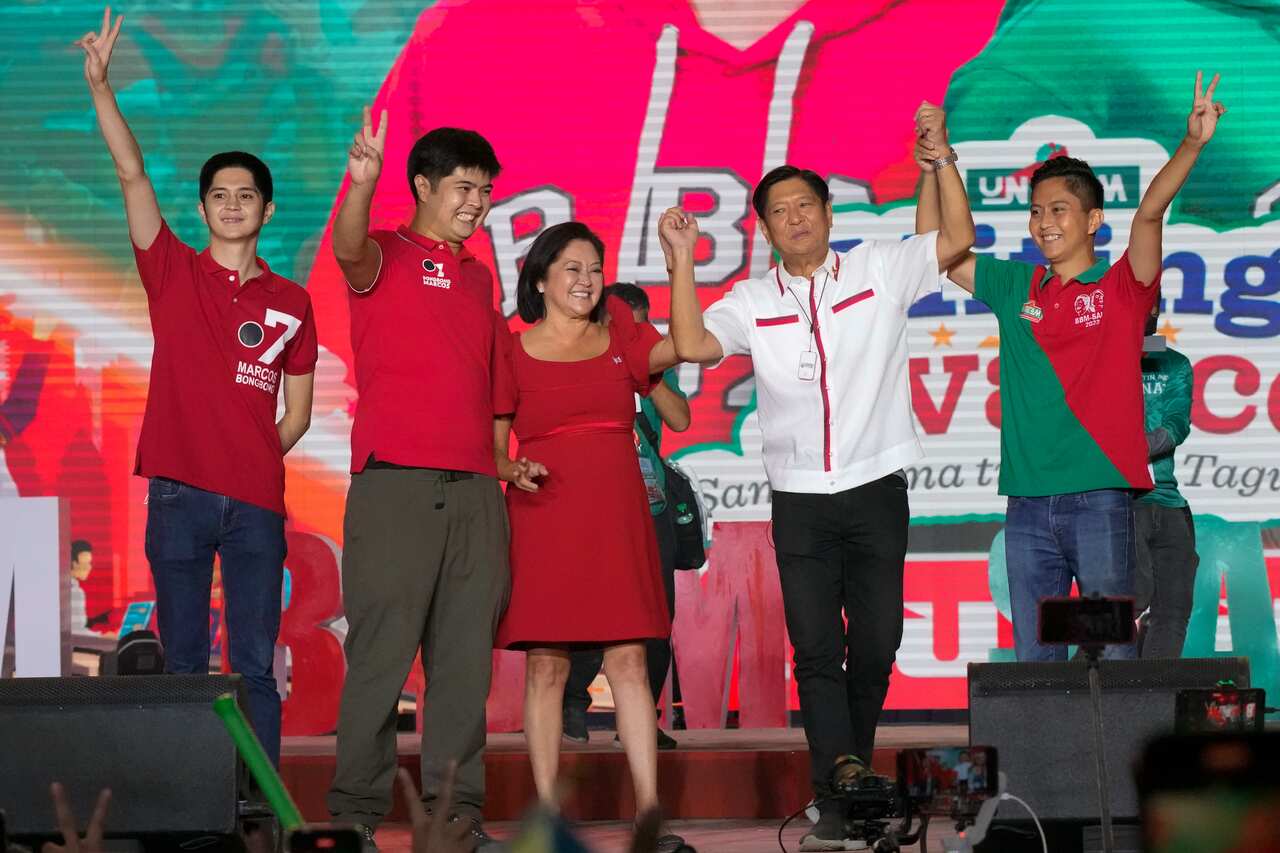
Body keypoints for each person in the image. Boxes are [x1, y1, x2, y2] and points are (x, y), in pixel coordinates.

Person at [662, 101, 976, 850]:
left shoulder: (878, 268)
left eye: (806, 204)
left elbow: (957, 239)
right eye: (780, 211)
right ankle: (840, 793)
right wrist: (681, 259)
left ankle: (844, 780)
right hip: (800, 500)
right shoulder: (752, 300)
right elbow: (693, 345)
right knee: (814, 650)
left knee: (877, 642)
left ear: (829, 213)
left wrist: (941, 160)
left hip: (876, 487)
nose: (795, 218)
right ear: (765, 230)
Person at [915, 72, 1226, 663]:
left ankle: (1116, 729)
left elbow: (1150, 216)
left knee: (1109, 655)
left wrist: (1191, 144)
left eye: (1059, 209)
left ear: (1093, 220)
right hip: (1028, 506)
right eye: (1036, 211)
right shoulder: (1017, 285)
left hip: (1099, 504)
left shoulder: (1120, 289)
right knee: (1037, 665)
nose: (1044, 222)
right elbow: (933, 249)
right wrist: (937, 166)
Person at [77, 8, 317, 767]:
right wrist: (101, 87)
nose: (232, 203)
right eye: (219, 194)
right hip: (178, 495)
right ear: (203, 206)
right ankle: (186, 804)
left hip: (256, 505)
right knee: (183, 664)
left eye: (246, 194)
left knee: (254, 667)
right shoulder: (172, 271)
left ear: (267, 209)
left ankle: (260, 808)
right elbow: (132, 173)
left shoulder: (293, 301)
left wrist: (250, 453)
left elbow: (299, 412)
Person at [324, 108, 512, 851]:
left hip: (475, 492)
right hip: (394, 487)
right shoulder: (384, 253)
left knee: (463, 669)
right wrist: (360, 185)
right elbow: (346, 247)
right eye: (463, 187)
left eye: (486, 190)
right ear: (424, 186)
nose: (476, 202)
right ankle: (354, 818)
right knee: (379, 660)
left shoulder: (479, 276)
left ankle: (456, 819)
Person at [493, 222, 684, 850]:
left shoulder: (621, 334)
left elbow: (687, 346)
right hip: (544, 513)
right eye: (572, 268)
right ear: (539, 281)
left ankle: (649, 815)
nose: (586, 280)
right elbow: (493, 448)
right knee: (546, 665)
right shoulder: (510, 350)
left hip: (616, 515)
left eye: (595, 268)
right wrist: (513, 469)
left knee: (629, 659)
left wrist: (681, 260)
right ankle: (547, 819)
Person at [562, 282, 690, 751]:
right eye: (622, 329)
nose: (631, 338)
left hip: (649, 507)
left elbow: (680, 420)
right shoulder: (582, 357)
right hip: (594, 505)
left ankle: (640, 720)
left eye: (639, 329)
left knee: (656, 617)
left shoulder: (656, 363)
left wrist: (647, 375)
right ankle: (571, 705)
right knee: (589, 609)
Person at [1136, 302, 1198, 659]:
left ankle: (1154, 690)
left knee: (1173, 610)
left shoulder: (1174, 363)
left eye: (1150, 303)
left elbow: (1177, 423)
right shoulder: (1097, 356)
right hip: (1118, 502)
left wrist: (1133, 449)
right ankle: (1087, 687)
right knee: (1122, 605)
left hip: (1167, 500)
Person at [69, 540, 93, 631]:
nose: (89, 567)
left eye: (90, 563)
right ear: (74, 564)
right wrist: (102, 636)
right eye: (86, 563)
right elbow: (77, 632)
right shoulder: (75, 592)